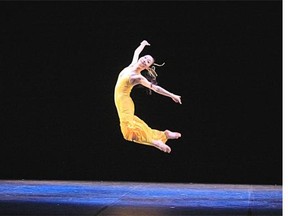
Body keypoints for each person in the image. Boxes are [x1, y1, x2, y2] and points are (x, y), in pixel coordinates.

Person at [114, 40, 182, 153]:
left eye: (148, 62)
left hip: (124, 102)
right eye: (145, 58)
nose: (144, 60)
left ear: (147, 67)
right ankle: (164, 134)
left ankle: (155, 142)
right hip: (120, 100)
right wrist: (142, 45)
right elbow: (136, 52)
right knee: (134, 124)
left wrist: (172, 95)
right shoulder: (131, 65)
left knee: (128, 131)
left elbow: (155, 88)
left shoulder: (138, 77)